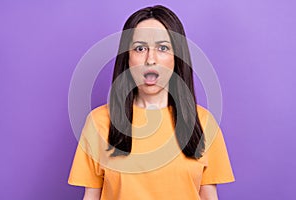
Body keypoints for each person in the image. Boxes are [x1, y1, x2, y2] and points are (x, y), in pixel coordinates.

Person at [68, 5, 235, 200]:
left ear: (177, 57)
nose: (151, 59)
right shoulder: (99, 122)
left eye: (163, 48)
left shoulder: (204, 123)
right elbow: (91, 197)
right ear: (127, 57)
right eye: (140, 48)